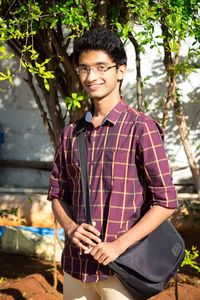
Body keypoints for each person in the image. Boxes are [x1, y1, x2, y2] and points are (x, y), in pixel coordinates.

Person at [48, 28, 178, 300]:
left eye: (101, 67)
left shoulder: (141, 129)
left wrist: (118, 246)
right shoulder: (71, 134)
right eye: (84, 68)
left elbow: (166, 201)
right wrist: (70, 228)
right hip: (76, 268)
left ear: (120, 71)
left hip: (120, 268)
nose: (91, 76)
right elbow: (57, 194)